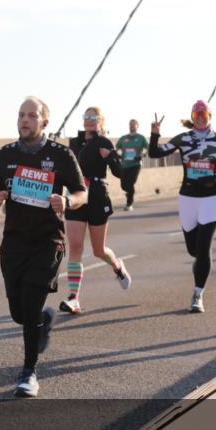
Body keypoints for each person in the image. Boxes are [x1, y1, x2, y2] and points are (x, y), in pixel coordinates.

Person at [0, 97, 86, 397]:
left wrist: (67, 201)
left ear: (45, 121)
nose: (25, 120)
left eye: (32, 115)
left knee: (30, 306)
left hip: (47, 241)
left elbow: (82, 192)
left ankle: (29, 371)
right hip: (14, 242)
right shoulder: (5, 154)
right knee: (19, 313)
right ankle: (43, 320)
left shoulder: (60, 154)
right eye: (21, 114)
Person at [149, 100, 216, 313]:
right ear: (192, 117)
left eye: (203, 114)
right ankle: (200, 266)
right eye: (196, 115)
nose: (200, 118)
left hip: (212, 197)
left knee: (204, 248)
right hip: (188, 197)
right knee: (193, 250)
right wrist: (154, 134)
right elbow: (154, 153)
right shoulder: (183, 138)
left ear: (210, 117)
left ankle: (197, 294)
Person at [58, 107, 133, 316]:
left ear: (100, 121)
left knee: (98, 250)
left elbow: (119, 172)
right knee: (75, 247)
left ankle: (117, 266)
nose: (89, 120)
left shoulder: (104, 142)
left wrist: (111, 157)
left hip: (98, 196)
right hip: (76, 196)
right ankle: (74, 298)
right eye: (86, 116)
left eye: (93, 117)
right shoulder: (74, 143)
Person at [115, 119, 149, 210]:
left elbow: (147, 147)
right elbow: (117, 147)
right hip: (125, 165)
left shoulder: (141, 138)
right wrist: (119, 154)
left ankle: (129, 204)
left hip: (136, 164)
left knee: (130, 183)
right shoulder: (123, 138)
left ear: (137, 126)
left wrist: (142, 155)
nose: (132, 126)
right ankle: (130, 192)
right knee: (123, 186)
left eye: (133, 124)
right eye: (130, 124)